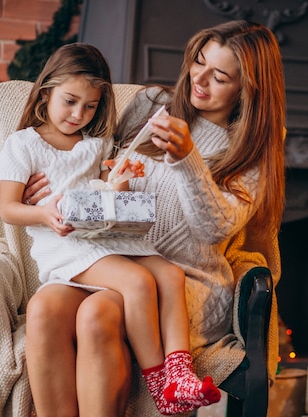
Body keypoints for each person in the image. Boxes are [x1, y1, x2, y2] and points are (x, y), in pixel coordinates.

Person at [23, 20, 286, 416]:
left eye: (219, 75)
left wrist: (188, 161)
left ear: (247, 87)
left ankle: (168, 383)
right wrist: (42, 188)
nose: (200, 79)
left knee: (97, 313)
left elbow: (216, 228)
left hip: (182, 283)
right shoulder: (150, 105)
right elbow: (98, 169)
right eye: (198, 62)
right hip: (113, 258)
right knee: (44, 307)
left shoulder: (249, 153)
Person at [0, 42, 220, 417]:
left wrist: (121, 180)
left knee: (169, 273)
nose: (78, 114)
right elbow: (8, 208)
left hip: (104, 238)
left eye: (90, 106)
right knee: (138, 282)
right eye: (69, 101)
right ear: (46, 90)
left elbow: (105, 195)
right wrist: (44, 214)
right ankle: (161, 383)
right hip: (67, 246)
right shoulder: (23, 145)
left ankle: (180, 370)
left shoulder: (94, 145)